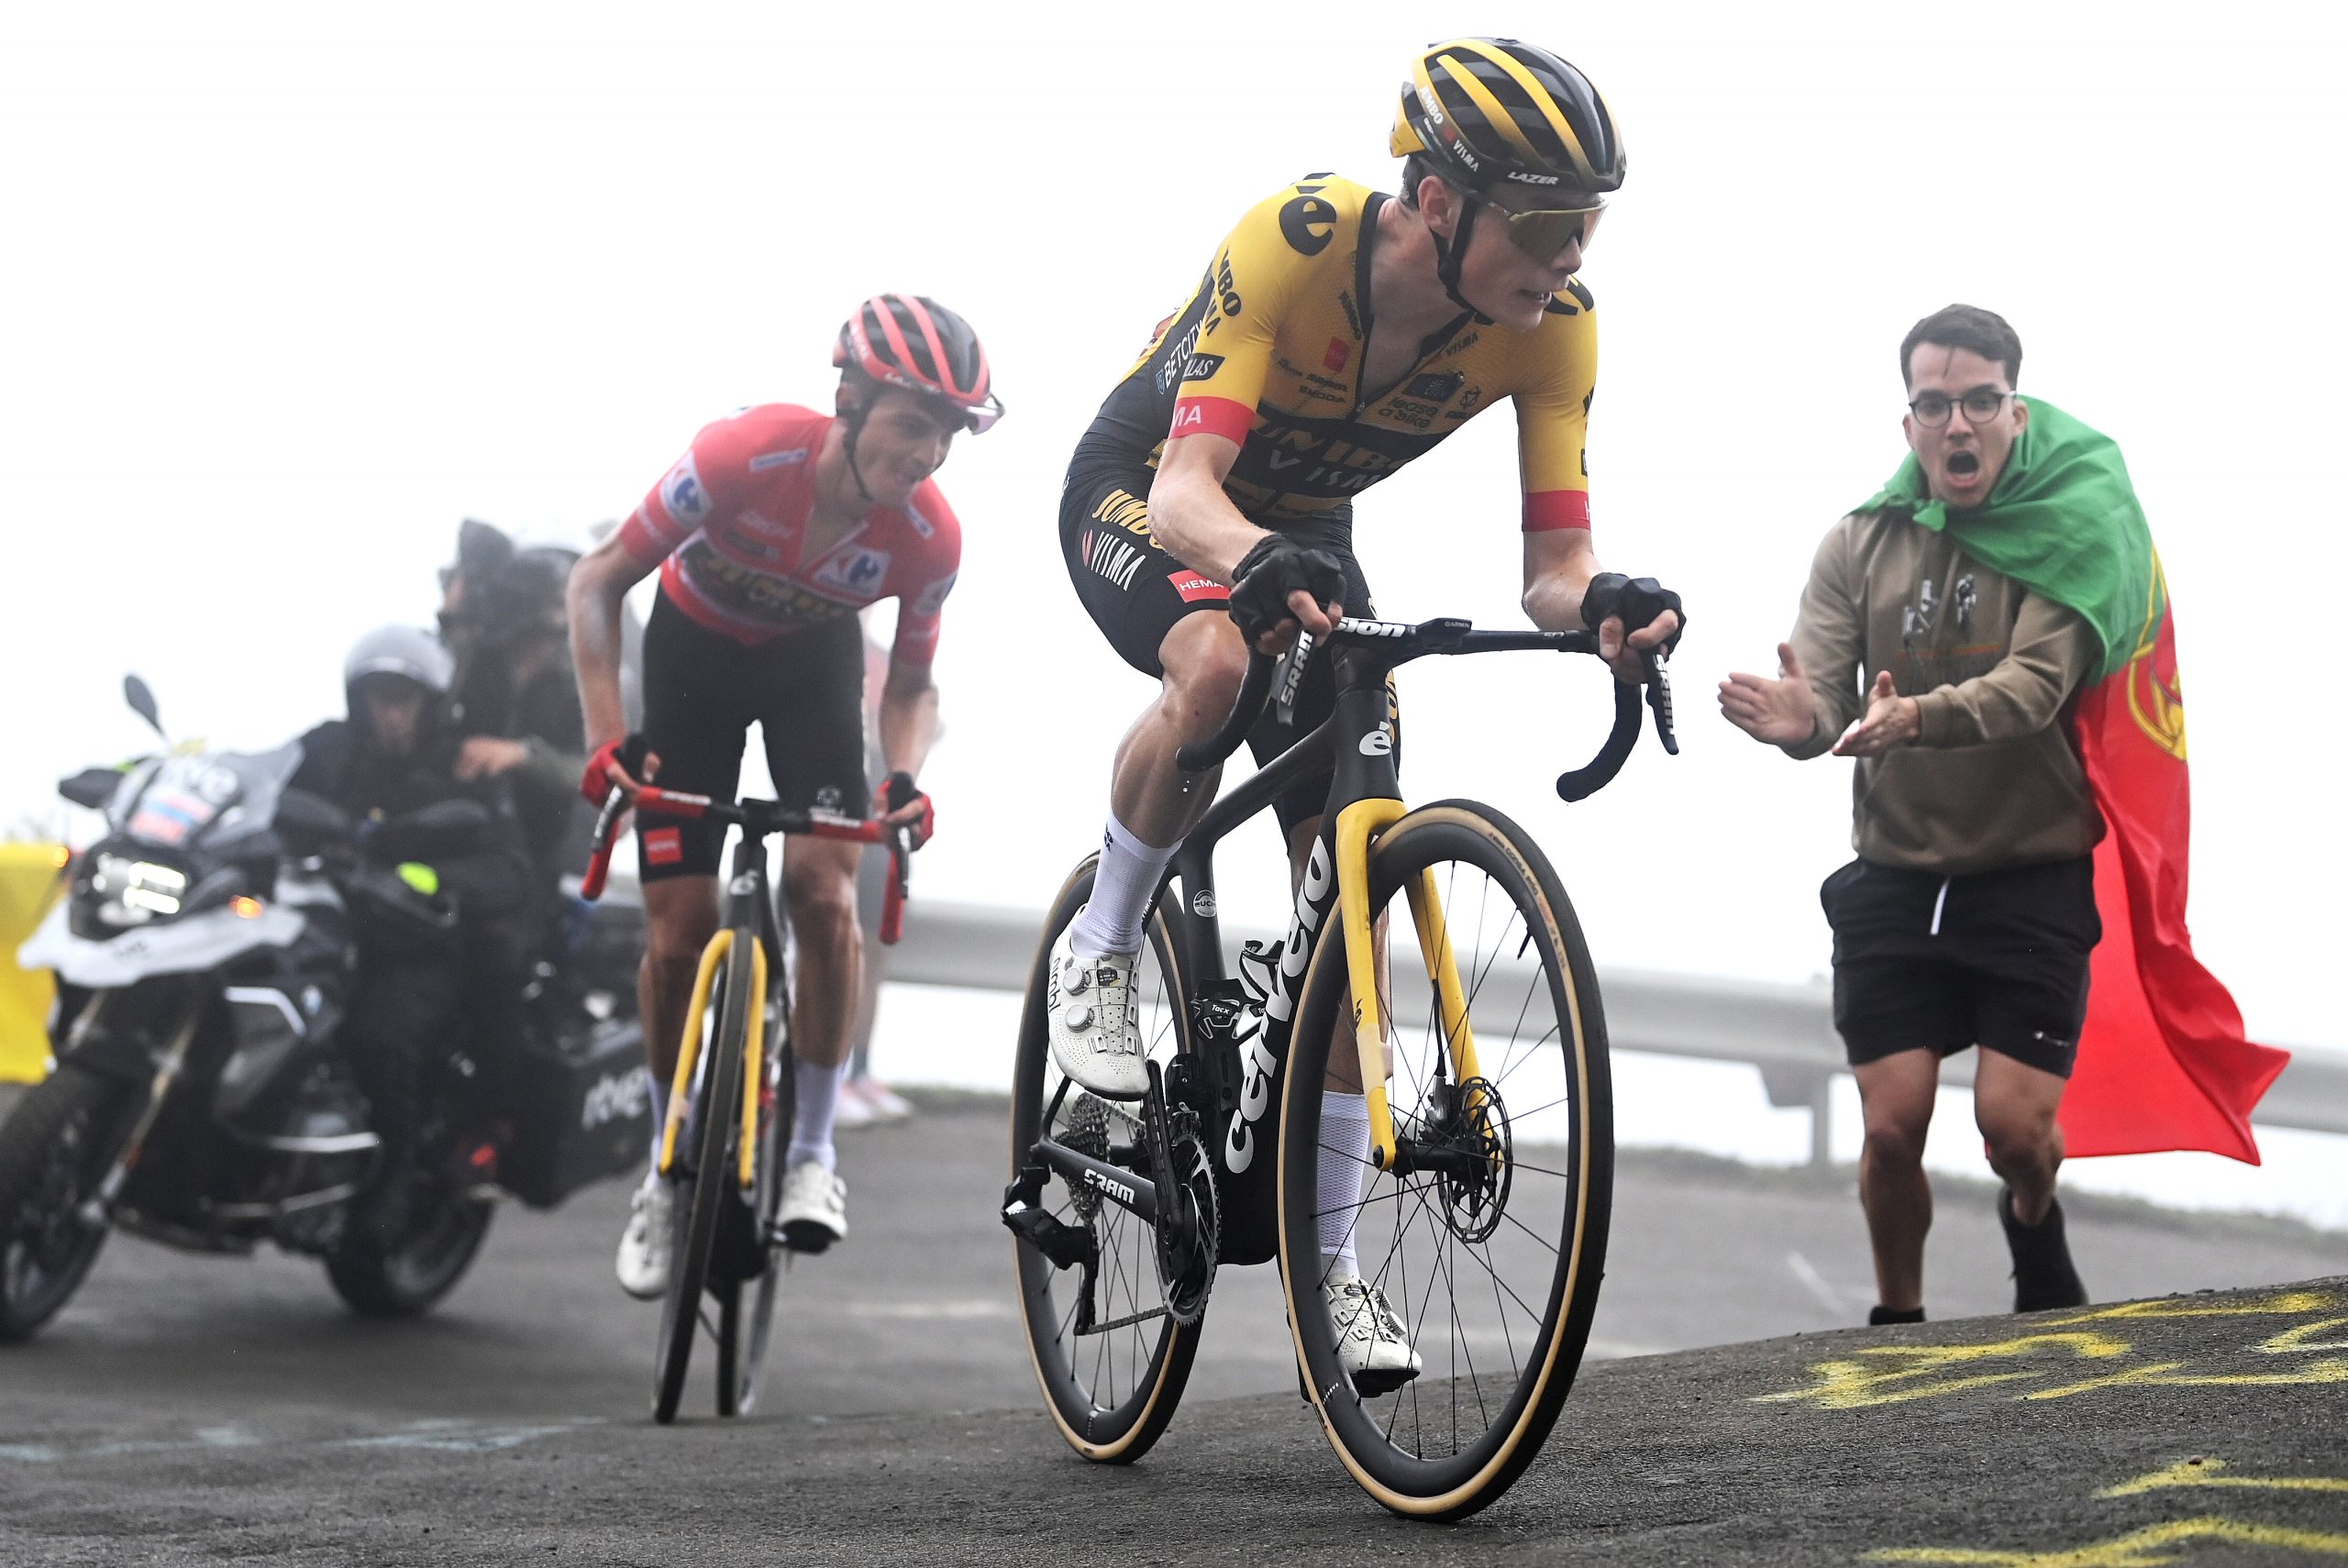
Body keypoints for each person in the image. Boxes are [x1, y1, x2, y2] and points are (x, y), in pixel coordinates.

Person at [1050, 38, 1682, 1389]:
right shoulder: (1297, 241)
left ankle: (1327, 1264)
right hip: (1152, 488)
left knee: (1356, 893)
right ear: (1439, 200)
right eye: (1546, 224)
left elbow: (1553, 570)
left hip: (1307, 538)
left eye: (1589, 224)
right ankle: (1099, 947)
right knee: (1215, 665)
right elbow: (1184, 493)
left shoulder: (1555, 326)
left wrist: (1607, 600)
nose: (1570, 255)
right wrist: (1249, 560)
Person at [568, 295, 990, 1297]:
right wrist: (604, 740)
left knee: (823, 895)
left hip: (813, 678)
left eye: (944, 435)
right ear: (850, 400)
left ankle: (810, 1154)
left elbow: (914, 687)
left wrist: (902, 780)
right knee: (678, 936)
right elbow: (597, 582)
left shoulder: (929, 538)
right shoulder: (739, 457)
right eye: (911, 423)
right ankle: (666, 1169)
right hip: (692, 671)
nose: (928, 454)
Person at [1718, 304, 2100, 1323]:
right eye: (1934, 405)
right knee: (1891, 1129)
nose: (1957, 423)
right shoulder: (1859, 542)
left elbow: (2035, 689)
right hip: (1895, 873)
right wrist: (1800, 720)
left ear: (2015, 413)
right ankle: (1898, 1323)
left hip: (2030, 872)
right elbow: (1823, 701)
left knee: (2014, 1133)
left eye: (1979, 401)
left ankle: (2032, 1212)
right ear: (1909, 424)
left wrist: (1919, 717)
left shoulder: (2065, 534)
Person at [290, 625, 534, 1246]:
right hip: (320, 925)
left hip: (413, 947)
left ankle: (391, 1185)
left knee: (379, 1036)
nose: (390, 712)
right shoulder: (328, 749)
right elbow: (262, 785)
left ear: (430, 703)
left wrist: (429, 880)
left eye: (403, 698)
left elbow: (508, 869)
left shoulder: (462, 766)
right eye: (379, 697)